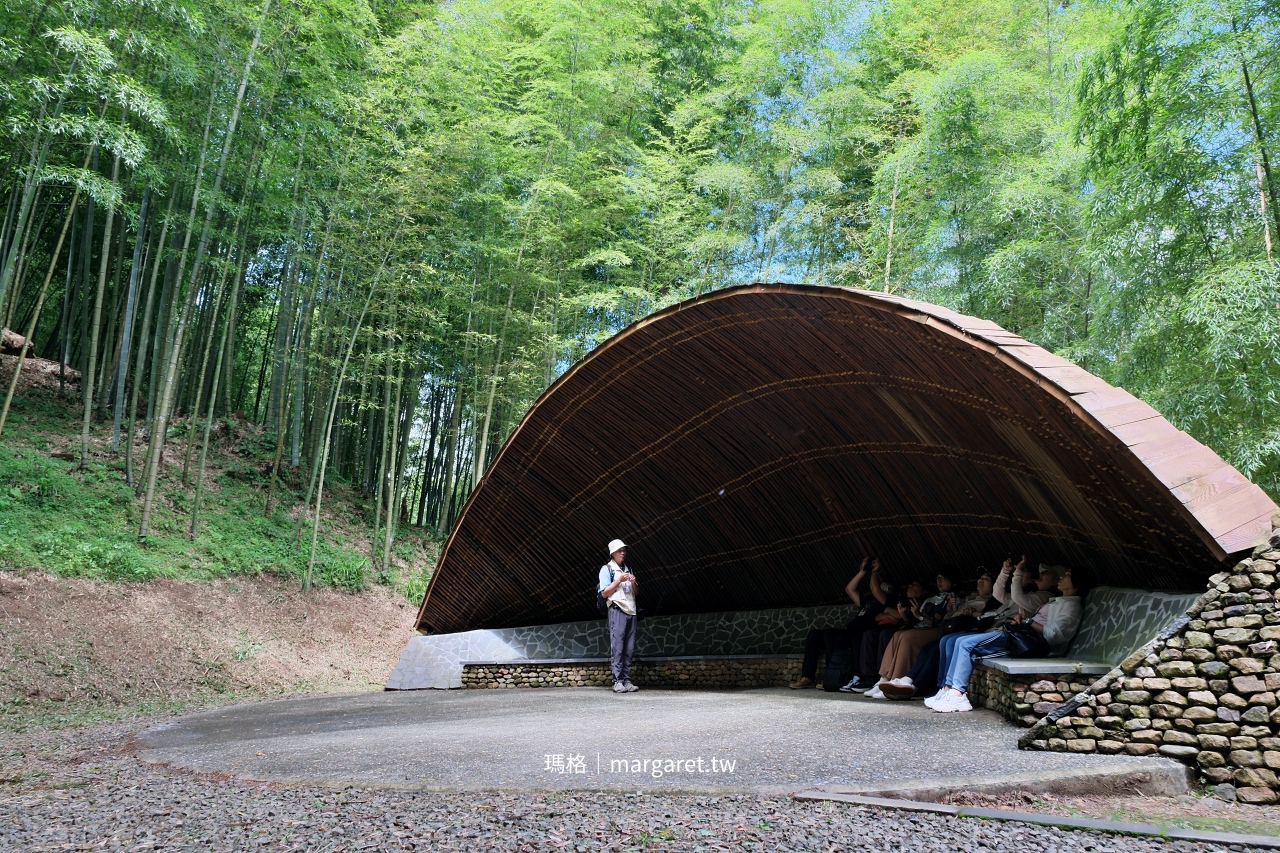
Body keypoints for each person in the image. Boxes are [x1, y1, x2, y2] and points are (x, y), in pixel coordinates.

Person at [928, 566, 1084, 713]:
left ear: (1078, 582)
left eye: (1068, 575)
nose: (1062, 576)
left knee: (966, 644)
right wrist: (1021, 621)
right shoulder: (1058, 602)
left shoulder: (1071, 606)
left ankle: (957, 694)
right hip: (1022, 635)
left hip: (1030, 643)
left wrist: (1028, 622)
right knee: (959, 642)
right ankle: (947, 689)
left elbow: (1056, 635)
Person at [880, 567, 1003, 700]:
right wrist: (952, 611)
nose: (980, 581)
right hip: (951, 630)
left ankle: (916, 686)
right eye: (980, 579)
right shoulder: (969, 597)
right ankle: (903, 679)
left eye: (986, 579)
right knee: (927, 648)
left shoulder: (991, 602)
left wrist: (972, 614)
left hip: (967, 631)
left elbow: (988, 618)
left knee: (931, 646)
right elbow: (948, 619)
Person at [789, 557, 884, 689]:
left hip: (859, 635)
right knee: (814, 635)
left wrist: (875, 572)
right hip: (849, 632)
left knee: (830, 635)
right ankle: (808, 676)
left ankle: (831, 675)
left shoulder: (884, 601)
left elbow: (874, 588)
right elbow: (849, 589)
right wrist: (863, 571)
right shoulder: (867, 602)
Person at [841, 565, 925, 693]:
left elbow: (902, 618)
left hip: (902, 629)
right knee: (867, 635)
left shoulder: (918, 601)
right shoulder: (898, 599)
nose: (910, 586)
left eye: (915, 585)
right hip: (891, 627)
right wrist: (890, 613)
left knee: (884, 634)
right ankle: (869, 678)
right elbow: (879, 615)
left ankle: (883, 677)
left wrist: (893, 613)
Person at [599, 538, 639, 694]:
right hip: (617, 610)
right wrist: (619, 580)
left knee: (629, 648)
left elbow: (636, 592)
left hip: (631, 610)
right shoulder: (607, 569)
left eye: (624, 550)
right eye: (620, 550)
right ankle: (617, 681)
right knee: (618, 647)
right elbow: (604, 593)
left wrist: (634, 582)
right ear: (612, 553)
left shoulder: (628, 569)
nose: (623, 553)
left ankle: (627, 680)